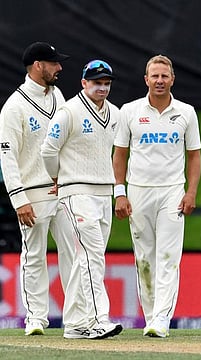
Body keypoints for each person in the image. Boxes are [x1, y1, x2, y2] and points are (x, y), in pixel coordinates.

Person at [112, 55, 201, 338]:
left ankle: (162, 318)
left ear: (172, 79)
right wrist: (120, 193)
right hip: (138, 192)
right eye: (155, 76)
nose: (160, 81)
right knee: (145, 259)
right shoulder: (129, 111)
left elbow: (194, 156)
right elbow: (120, 155)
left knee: (168, 256)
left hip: (172, 193)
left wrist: (190, 191)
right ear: (146, 80)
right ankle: (151, 316)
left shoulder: (186, 112)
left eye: (164, 76)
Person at [40, 59, 123, 339]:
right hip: (76, 192)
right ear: (84, 83)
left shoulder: (114, 113)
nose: (102, 88)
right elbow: (48, 151)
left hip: (103, 193)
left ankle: (75, 324)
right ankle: (99, 319)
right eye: (97, 82)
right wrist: (56, 177)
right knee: (91, 255)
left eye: (106, 83)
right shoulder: (69, 112)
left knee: (85, 258)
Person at [0, 42, 74, 335]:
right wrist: (19, 200)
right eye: (54, 63)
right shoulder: (14, 107)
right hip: (32, 193)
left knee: (75, 253)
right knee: (34, 256)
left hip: (63, 189)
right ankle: (36, 319)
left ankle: (78, 318)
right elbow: (7, 156)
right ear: (38, 65)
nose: (59, 68)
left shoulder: (59, 96)